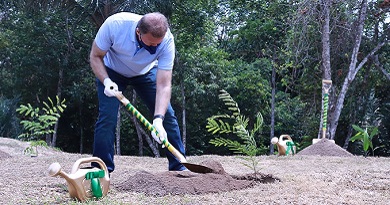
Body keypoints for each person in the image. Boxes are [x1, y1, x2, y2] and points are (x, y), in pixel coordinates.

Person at [89, 12, 187, 173]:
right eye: (151, 44)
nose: (155, 47)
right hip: (111, 72)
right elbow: (95, 56)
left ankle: (179, 167)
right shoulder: (115, 25)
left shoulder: (167, 40)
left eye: (158, 44)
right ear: (138, 32)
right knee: (107, 117)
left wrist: (158, 120)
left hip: (145, 72)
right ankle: (101, 169)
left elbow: (163, 85)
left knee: (168, 115)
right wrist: (106, 81)